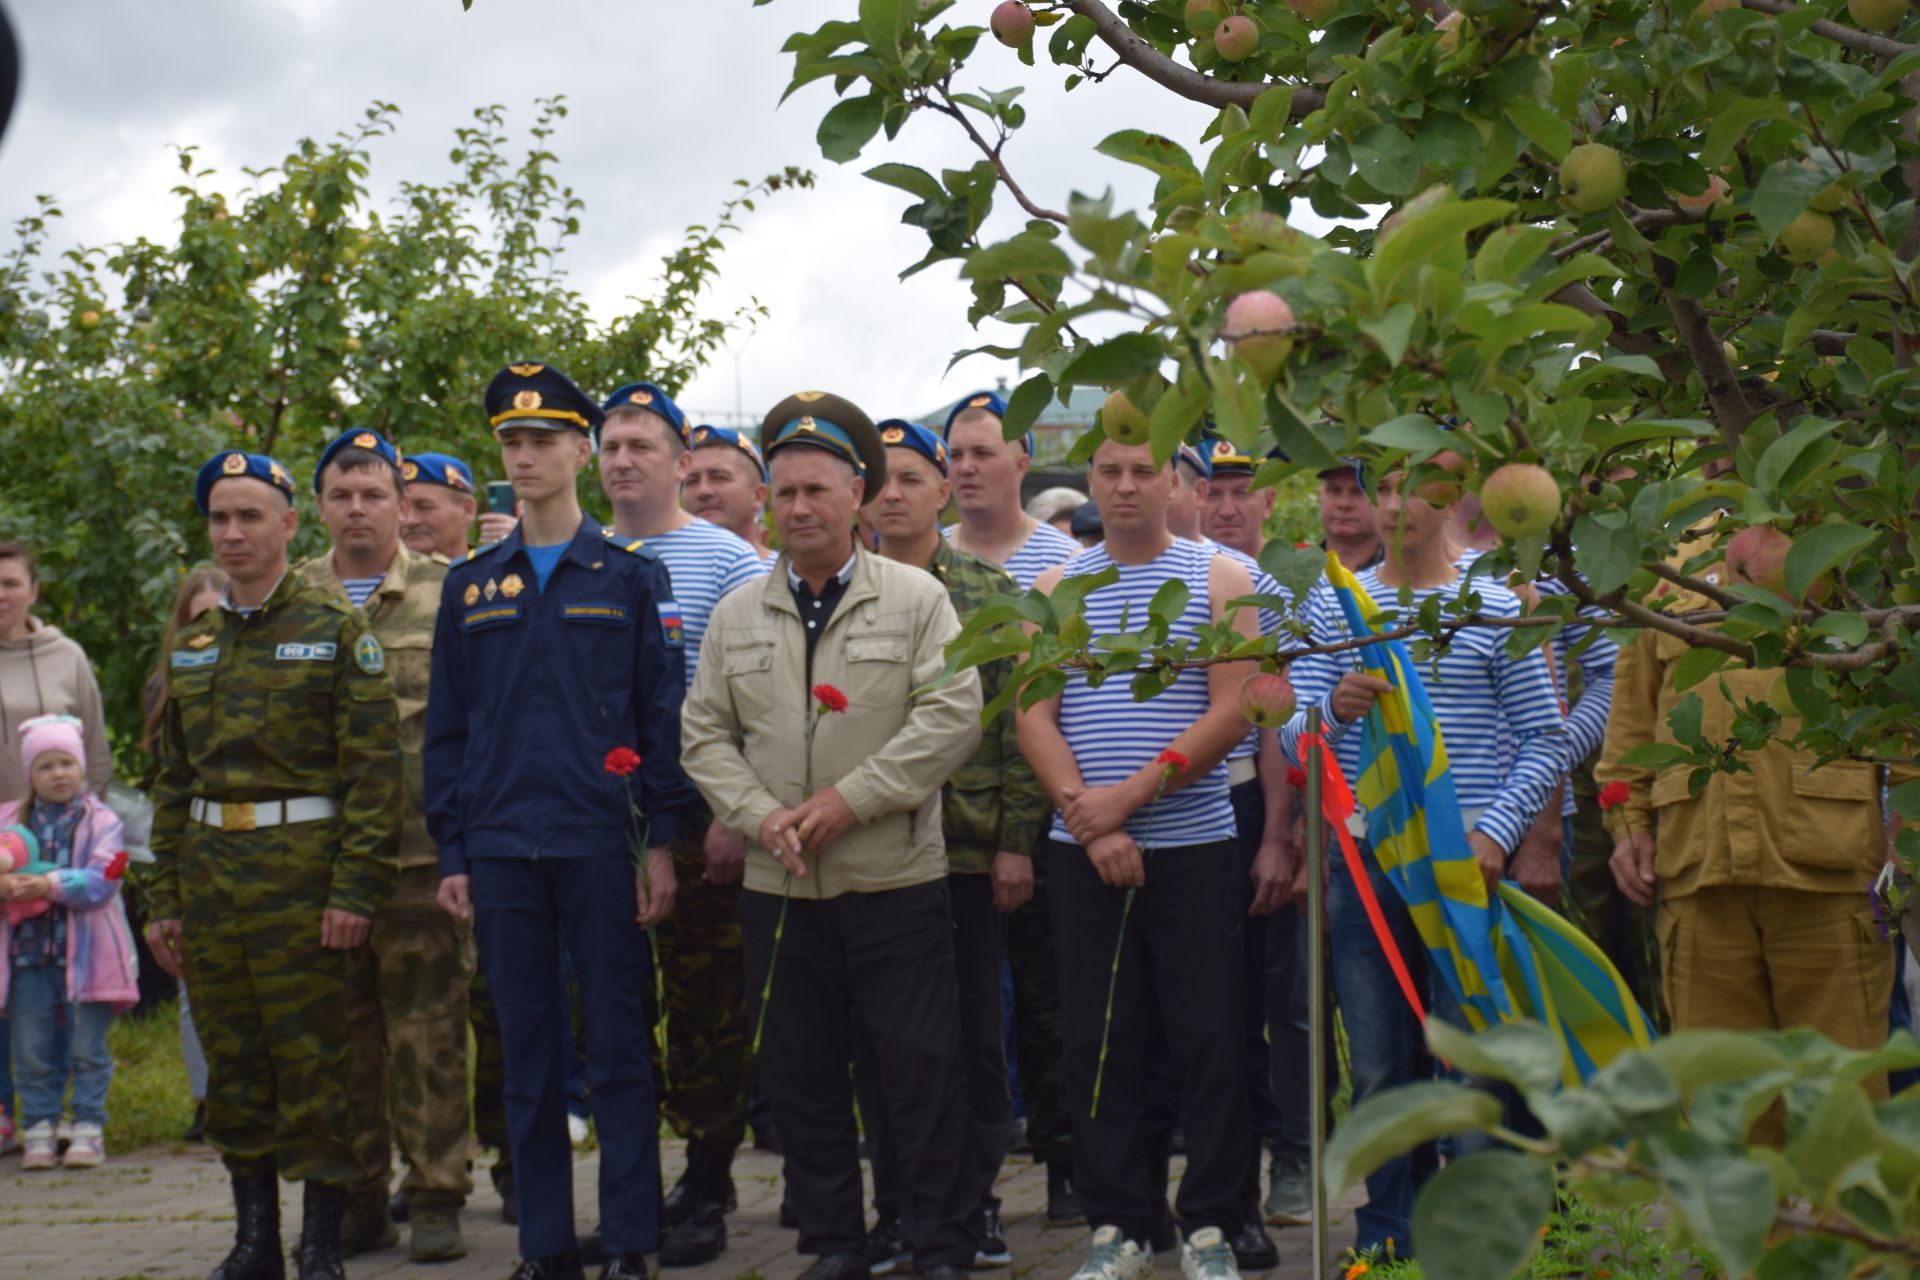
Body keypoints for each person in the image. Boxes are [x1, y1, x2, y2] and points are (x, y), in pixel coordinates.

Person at [681, 391, 984, 1280]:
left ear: (858, 492)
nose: (800, 509)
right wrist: (757, 816)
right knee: (802, 1076)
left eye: (817, 489)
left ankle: (938, 1243)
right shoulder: (739, 612)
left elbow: (951, 719)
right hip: (780, 889)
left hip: (892, 880)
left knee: (919, 1073)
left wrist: (853, 800)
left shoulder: (918, 599)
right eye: (784, 493)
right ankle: (835, 1243)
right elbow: (703, 734)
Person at [426, 361, 696, 1280]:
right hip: (502, 850)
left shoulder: (628, 577)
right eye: (512, 440)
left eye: (545, 439)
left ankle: (628, 1241)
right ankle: (545, 1247)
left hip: (599, 845)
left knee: (620, 1048)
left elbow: (663, 718)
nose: (527, 454)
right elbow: (449, 733)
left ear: (582, 448)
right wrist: (453, 848)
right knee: (527, 1063)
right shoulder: (471, 587)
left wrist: (659, 839)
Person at [1273, 467, 1565, 1257]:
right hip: (1368, 866)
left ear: (1459, 494)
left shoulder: (1494, 605)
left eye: (1420, 487)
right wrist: (1330, 709)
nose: (1399, 506)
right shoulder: (1333, 606)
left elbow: (1549, 734)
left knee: (1472, 1068)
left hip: (1466, 863)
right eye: (1385, 487)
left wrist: (1498, 832)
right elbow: (1288, 738)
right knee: (1375, 1066)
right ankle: (1390, 1239)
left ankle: (1480, 1243)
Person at [1017, 434, 1270, 1280]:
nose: (1125, 487)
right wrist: (1093, 823)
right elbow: (1032, 714)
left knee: (1210, 1038)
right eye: (1108, 472)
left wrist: (1126, 802)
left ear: (1174, 481)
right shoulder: (1056, 588)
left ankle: (1212, 1224)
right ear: (1089, 479)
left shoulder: (1221, 579)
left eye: (1143, 471)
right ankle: (1120, 1225)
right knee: (1099, 1040)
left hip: (1194, 844)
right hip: (1083, 853)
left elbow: (1235, 710)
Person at [147, 448, 404, 1280]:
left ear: (290, 525)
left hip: (306, 885)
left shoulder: (335, 632)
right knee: (235, 1062)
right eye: (219, 517)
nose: (232, 532)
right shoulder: (192, 644)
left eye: (250, 515)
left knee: (318, 1064)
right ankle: (254, 1240)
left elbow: (374, 778)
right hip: (215, 884)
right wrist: (166, 898)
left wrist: (355, 890)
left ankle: (322, 1242)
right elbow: (173, 782)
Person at [1595, 545, 1911, 1101]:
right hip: (1697, 879)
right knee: (1722, 1118)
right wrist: (1629, 831)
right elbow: (1627, 737)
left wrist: (1904, 855)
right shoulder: (1668, 568)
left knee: (1843, 1111)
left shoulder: (1849, 558)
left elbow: (1907, 726)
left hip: (1833, 882)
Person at [859, 418, 1047, 1272]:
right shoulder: (839, 587)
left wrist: (1016, 843)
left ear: (944, 490)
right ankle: (898, 1206)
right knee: (884, 1042)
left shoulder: (987, 589)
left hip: (967, 850)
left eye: (910, 478)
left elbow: (1017, 727)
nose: (891, 495)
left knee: (973, 1037)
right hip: (867, 850)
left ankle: (975, 1204)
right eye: (879, 480)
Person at [595, 383, 769, 1268]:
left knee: (705, 1006)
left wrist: (735, 813)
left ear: (675, 459)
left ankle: (707, 1180)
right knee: (615, 1009)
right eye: (611, 445)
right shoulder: (576, 557)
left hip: (703, 815)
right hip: (597, 821)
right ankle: (632, 1186)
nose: (623, 460)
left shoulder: (729, 562)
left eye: (641, 445)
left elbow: (758, 702)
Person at [296, 427, 475, 1262]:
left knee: (429, 1036)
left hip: (420, 862)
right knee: (340, 1041)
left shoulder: (454, 594)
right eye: (343, 494)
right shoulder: (289, 600)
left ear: (404, 507)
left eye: (375, 494)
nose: (358, 509)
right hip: (316, 869)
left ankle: (436, 1192)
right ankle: (356, 1195)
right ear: (320, 508)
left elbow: (479, 726)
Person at [941, 389, 1083, 1226]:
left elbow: (1056, 701)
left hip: (1049, 823)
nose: (966, 469)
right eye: (954, 455)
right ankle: (974, 1177)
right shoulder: (929, 564)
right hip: (953, 830)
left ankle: (1066, 1164)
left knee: (1048, 1002)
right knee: (964, 1015)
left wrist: (1026, 830)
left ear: (1021, 463)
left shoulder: (1058, 562)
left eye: (982, 453)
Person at [1197, 437, 1317, 1235]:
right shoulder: (1187, 582)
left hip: (1266, 808)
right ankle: (1230, 1158)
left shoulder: (1282, 589)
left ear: (1270, 501)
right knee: (1217, 999)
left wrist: (1284, 835)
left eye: (1244, 492)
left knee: (1290, 995)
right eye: (1213, 491)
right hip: (1197, 810)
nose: (1228, 506)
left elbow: (1289, 722)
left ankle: (1298, 1153)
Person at [0, 713, 139, 1170]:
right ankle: (39, 1126)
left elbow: (106, 877)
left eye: (66, 764)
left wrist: (50, 884)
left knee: (87, 1048)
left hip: (87, 960)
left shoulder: (106, 823)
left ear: (81, 768)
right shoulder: (7, 824)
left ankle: (88, 1127)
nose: (58, 774)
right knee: (31, 1048)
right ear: (29, 776)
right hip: (26, 957)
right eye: (45, 766)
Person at [139, 567, 230, 1148]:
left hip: (253, 853)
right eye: (199, 618)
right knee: (194, 989)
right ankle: (205, 1100)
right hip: (190, 846)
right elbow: (163, 779)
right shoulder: (165, 684)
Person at [0, 542, 112, 806]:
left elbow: (96, 755)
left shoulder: (66, 656)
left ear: (33, 592)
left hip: (62, 831)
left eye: (11, 584)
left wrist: (88, 824)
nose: (1, 595)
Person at [683, 425, 772, 559]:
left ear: (758, 496)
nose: (703, 491)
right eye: (691, 481)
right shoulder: (657, 571)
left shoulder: (792, 576)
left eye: (719, 478)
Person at [400, 452, 479, 561]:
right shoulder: (375, 575)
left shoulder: (496, 574)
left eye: (424, 507)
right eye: (402, 508)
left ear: (467, 510)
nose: (409, 520)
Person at [1316, 460, 1383, 571]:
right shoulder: (1294, 573)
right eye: (1334, 491)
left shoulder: (1405, 574)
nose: (1344, 503)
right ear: (1320, 496)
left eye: (1358, 492)